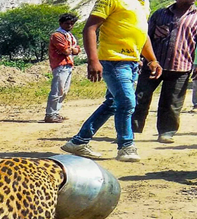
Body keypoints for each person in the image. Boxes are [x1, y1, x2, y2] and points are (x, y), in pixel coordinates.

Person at [61, 0, 162, 162]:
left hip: (132, 63)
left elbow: (143, 35)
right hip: (113, 61)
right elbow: (90, 28)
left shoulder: (144, 3)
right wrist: (93, 60)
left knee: (114, 103)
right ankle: (126, 146)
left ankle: (78, 142)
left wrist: (152, 59)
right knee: (127, 101)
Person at [132, 0, 197, 144]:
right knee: (140, 97)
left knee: (172, 102)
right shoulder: (160, 14)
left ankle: (166, 132)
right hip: (153, 64)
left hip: (181, 66)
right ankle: (132, 131)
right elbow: (145, 37)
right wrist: (141, 58)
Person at [45, 13, 80, 124]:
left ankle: (55, 113)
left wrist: (74, 49)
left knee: (64, 91)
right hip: (60, 64)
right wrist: (73, 49)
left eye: (71, 23)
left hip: (68, 64)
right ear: (61, 23)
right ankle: (50, 114)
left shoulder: (69, 35)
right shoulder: (57, 35)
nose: (70, 25)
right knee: (57, 90)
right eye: (67, 23)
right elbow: (66, 50)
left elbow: (77, 50)